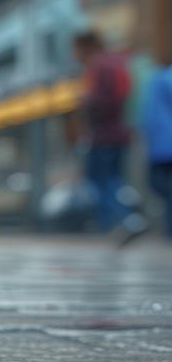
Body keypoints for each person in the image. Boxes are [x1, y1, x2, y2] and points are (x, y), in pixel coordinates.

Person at [72, 30, 148, 243]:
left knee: (99, 180)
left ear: (85, 47)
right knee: (113, 179)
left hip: (104, 134)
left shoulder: (99, 66)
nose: (74, 55)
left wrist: (85, 100)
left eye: (75, 49)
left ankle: (127, 219)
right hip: (120, 131)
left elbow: (103, 101)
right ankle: (126, 220)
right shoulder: (116, 63)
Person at [142, 60, 172, 238]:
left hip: (164, 141)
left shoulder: (163, 78)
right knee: (158, 184)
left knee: (161, 185)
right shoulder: (159, 77)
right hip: (160, 141)